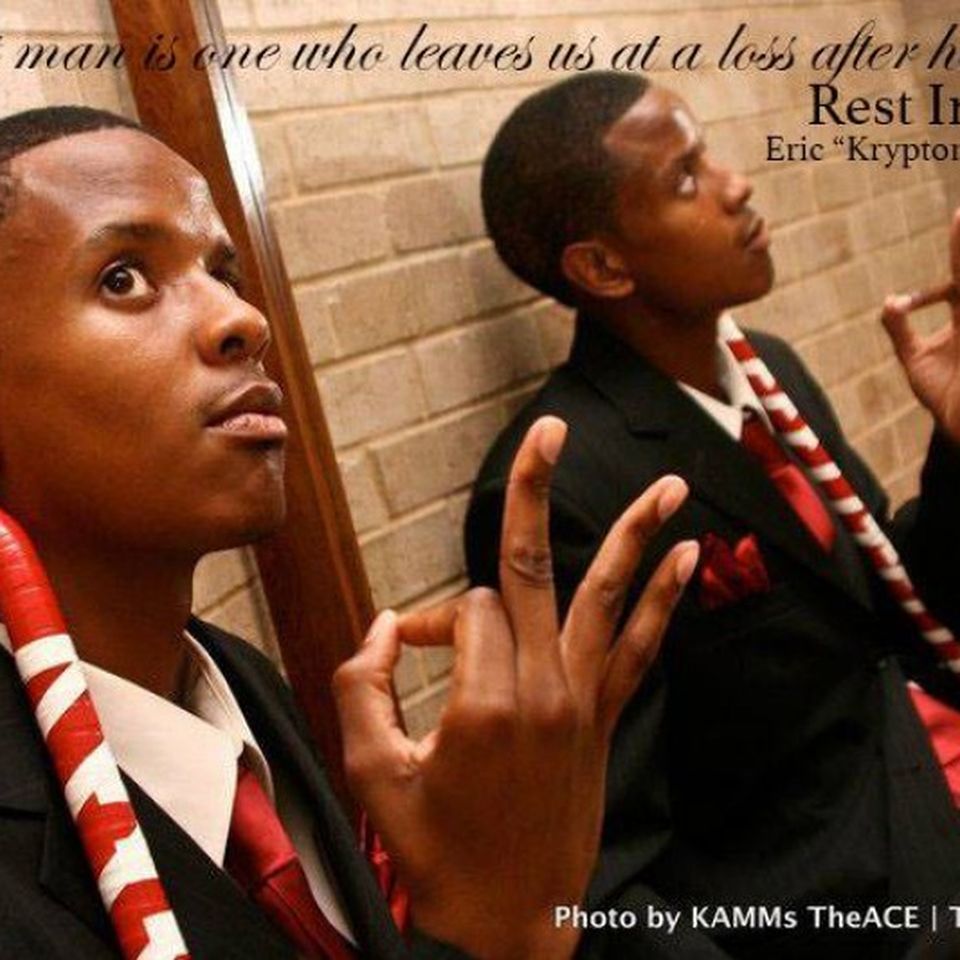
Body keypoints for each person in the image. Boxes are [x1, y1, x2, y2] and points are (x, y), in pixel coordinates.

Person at [0, 105, 700, 960]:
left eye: (222, 272)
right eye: (123, 279)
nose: (242, 320)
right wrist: (490, 934)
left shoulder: (239, 684)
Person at [465, 71, 960, 960]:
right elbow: (603, 864)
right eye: (686, 177)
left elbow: (896, 608)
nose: (737, 185)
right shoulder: (564, 486)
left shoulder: (770, 369)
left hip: (928, 825)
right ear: (603, 267)